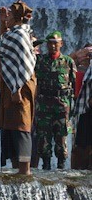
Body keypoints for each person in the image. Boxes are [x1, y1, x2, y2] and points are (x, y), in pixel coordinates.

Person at [0, 1, 37, 175]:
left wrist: (17, 89)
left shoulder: (20, 35)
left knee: (21, 125)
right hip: (11, 85)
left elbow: (24, 65)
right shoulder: (14, 32)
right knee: (10, 125)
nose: (8, 19)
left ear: (18, 18)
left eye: (10, 16)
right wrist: (2, 22)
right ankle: (16, 167)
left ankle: (24, 170)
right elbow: (4, 42)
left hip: (20, 85)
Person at [33, 32, 76, 169]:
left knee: (61, 138)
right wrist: (38, 41)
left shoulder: (68, 61)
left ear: (61, 44)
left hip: (62, 106)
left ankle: (61, 165)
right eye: (50, 42)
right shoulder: (40, 60)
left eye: (55, 42)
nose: (52, 45)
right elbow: (27, 52)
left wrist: (72, 107)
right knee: (43, 138)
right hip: (44, 106)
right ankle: (45, 165)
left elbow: (74, 85)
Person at [70, 44, 92, 169]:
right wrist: (76, 56)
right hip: (79, 111)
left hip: (86, 110)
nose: (88, 58)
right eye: (87, 54)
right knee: (79, 146)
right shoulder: (76, 69)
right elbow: (61, 64)